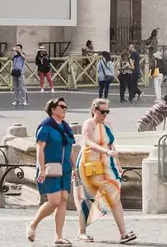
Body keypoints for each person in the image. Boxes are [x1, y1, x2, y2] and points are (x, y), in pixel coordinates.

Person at [77, 97, 135, 243]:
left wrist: (118, 164)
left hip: (108, 165)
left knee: (114, 195)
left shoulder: (107, 124)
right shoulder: (88, 124)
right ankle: (81, 231)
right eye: (102, 112)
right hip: (90, 164)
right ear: (94, 110)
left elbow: (111, 146)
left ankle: (123, 234)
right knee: (90, 198)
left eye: (107, 111)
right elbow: (88, 142)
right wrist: (105, 151)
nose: (105, 114)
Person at [27, 97, 78, 246]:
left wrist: (74, 167)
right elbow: (40, 149)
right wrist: (42, 169)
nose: (64, 109)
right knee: (54, 200)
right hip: (51, 168)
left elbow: (70, 150)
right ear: (52, 109)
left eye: (65, 107)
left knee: (63, 199)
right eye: (61, 106)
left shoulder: (67, 127)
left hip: (65, 169)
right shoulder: (45, 126)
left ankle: (58, 236)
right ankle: (33, 224)